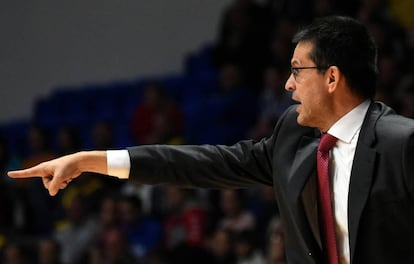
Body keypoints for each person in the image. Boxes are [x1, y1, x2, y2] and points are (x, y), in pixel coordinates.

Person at [8, 16, 414, 263]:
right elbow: (202, 164)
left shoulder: (402, 143)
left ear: (331, 77)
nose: (288, 84)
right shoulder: (294, 135)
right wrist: (89, 160)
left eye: (296, 70)